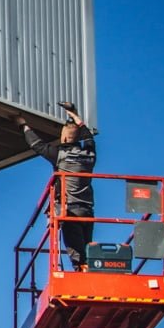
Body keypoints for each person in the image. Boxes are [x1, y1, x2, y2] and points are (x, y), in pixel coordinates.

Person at [16, 102, 97, 270]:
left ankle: (82, 274)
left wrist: (23, 124)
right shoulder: (90, 154)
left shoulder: (60, 155)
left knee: (78, 256)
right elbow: (89, 136)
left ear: (65, 138)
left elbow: (36, 144)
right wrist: (74, 115)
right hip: (88, 210)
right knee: (88, 250)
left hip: (71, 211)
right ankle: (88, 269)